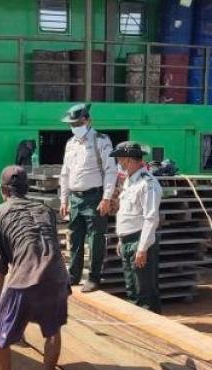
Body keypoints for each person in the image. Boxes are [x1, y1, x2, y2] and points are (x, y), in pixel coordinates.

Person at [0, 165, 70, 370]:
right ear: (26, 188)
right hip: (57, 277)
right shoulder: (46, 210)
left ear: (3, 190)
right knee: (52, 331)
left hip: (24, 279)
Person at [59, 103, 118, 292]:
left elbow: (110, 170)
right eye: (71, 124)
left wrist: (106, 198)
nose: (74, 127)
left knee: (95, 239)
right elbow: (65, 173)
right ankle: (73, 275)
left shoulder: (101, 140)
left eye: (77, 123)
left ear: (87, 120)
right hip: (75, 198)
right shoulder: (70, 144)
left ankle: (94, 278)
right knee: (75, 237)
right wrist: (64, 199)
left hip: (94, 197)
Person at [110, 142, 163, 312]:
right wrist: (121, 239)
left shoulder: (147, 184)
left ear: (130, 160)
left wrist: (142, 248)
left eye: (120, 160)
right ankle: (138, 322)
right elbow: (125, 213)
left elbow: (151, 218)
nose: (119, 163)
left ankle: (151, 324)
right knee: (132, 289)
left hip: (139, 241)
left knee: (144, 291)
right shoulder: (129, 182)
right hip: (127, 241)